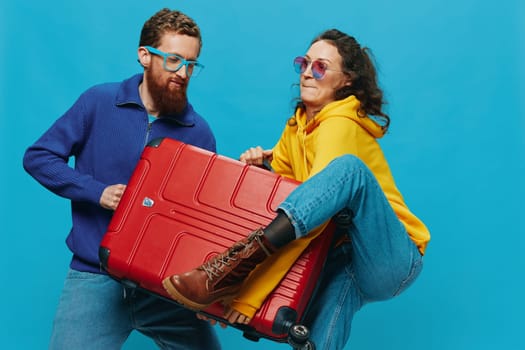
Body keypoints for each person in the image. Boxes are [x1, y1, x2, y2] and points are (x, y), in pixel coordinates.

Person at [162, 29, 431, 349]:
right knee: (318, 340)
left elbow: (313, 220)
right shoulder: (297, 127)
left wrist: (246, 293)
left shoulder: (340, 124)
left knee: (349, 170)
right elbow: (291, 203)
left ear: (345, 80)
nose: (307, 72)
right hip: (346, 258)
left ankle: (228, 271)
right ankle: (225, 277)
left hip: (389, 254)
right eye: (304, 63)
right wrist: (264, 171)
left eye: (320, 67)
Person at [23, 8, 221, 350]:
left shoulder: (199, 132)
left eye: (191, 64)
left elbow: (204, 223)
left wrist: (209, 292)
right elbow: (38, 157)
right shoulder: (98, 102)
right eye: (174, 60)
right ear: (145, 55)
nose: (183, 73)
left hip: (164, 289)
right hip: (95, 279)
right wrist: (97, 192)